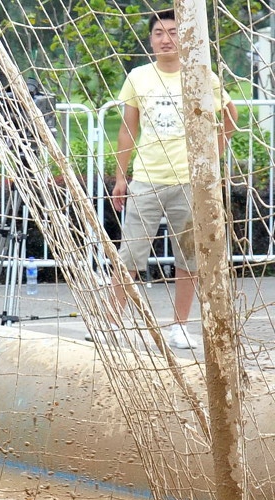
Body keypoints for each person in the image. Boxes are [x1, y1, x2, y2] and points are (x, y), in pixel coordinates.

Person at [111, 9, 237, 350]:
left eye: (173, 31)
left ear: (185, 37)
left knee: (190, 258)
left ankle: (180, 326)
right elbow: (127, 130)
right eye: (158, 33)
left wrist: (211, 160)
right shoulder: (139, 76)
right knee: (130, 255)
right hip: (147, 179)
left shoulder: (201, 75)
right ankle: (113, 323)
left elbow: (230, 116)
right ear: (150, 40)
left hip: (190, 182)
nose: (166, 39)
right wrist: (121, 177)